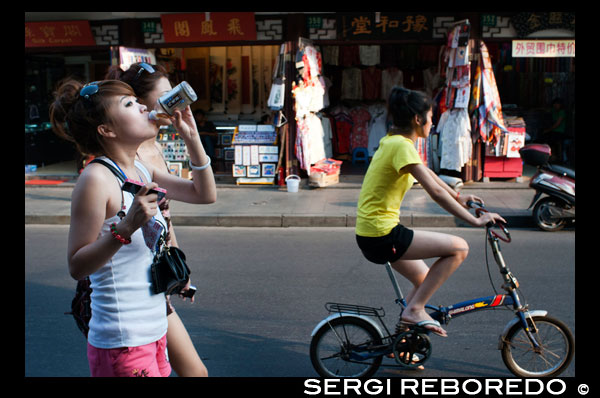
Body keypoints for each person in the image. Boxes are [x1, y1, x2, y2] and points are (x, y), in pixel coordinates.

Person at [49, 78, 216, 377]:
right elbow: (77, 266)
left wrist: (192, 138)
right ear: (107, 130)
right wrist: (125, 228)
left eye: (137, 100)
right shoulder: (96, 179)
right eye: (129, 104)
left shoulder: (140, 168)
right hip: (122, 341)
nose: (143, 106)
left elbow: (203, 194)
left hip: (154, 331)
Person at [355, 87, 505, 338]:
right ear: (417, 119)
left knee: (424, 278)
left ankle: (401, 340)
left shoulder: (394, 142)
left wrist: (458, 195)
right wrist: (474, 221)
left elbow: (431, 176)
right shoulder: (401, 147)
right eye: (431, 116)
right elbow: (434, 192)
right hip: (382, 234)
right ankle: (414, 310)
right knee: (459, 248)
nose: (433, 121)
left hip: (372, 232)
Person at [105, 62, 210, 377]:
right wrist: (123, 230)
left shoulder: (152, 154)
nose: (175, 102)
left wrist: (177, 266)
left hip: (152, 284)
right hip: (129, 299)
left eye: (175, 94)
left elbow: (169, 214)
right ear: (139, 104)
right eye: (166, 96)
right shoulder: (117, 162)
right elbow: (79, 262)